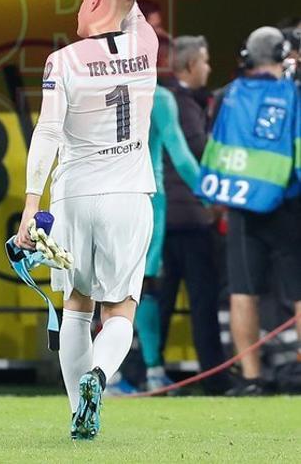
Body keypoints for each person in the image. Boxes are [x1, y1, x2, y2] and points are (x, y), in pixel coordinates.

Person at [16, 0, 158, 440]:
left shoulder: (65, 60)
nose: (80, 3)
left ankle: (80, 409)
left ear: (97, 2)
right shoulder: (146, 46)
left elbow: (48, 133)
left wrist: (33, 204)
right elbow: (127, 0)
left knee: (77, 301)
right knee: (121, 307)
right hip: (129, 195)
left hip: (74, 194)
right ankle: (102, 375)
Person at [198, 26, 301, 395]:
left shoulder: (228, 94)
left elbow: (215, 144)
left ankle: (252, 378)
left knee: (243, 292)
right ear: (281, 55)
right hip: (289, 204)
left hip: (240, 204)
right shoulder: (295, 93)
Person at [158, 35, 231, 393]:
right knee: (201, 304)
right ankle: (214, 379)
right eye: (205, 61)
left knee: (159, 302)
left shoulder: (170, 99)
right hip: (187, 220)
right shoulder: (180, 103)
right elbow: (199, 153)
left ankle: (145, 372)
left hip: (167, 220)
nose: (209, 67)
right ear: (189, 65)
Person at [136, 32, 201, 394]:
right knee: (144, 286)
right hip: (146, 199)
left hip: (102, 195)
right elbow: (181, 157)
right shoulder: (160, 98)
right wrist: (213, 195)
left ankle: (103, 376)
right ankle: (152, 371)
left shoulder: (99, 89)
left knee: (99, 289)